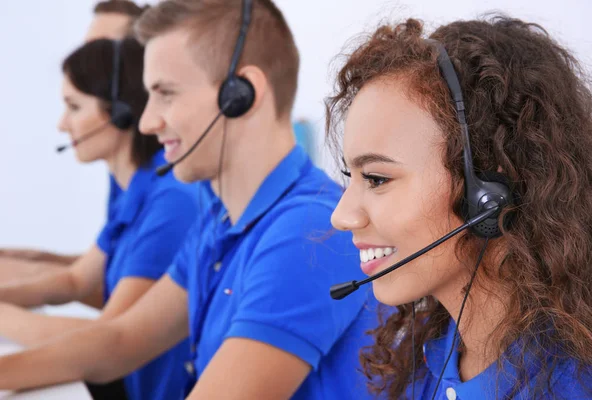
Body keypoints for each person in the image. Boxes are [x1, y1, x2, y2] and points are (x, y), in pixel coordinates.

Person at [0, 1, 375, 399]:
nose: (146, 122)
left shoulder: (309, 234)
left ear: (241, 94)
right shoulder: (221, 219)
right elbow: (122, 339)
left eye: (165, 94)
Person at [327, 15, 592, 399]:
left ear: (489, 192)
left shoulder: (579, 385)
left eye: (376, 179)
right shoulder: (429, 361)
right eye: (349, 177)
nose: (342, 215)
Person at [0, 38, 198, 400]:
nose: (62, 124)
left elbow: (109, 336)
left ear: (121, 112)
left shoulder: (171, 201)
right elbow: (76, 279)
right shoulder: (135, 187)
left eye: (73, 107)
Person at [0, 0, 149, 279]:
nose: (89, 60)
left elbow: (130, 317)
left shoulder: (168, 184)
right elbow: (110, 276)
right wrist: (35, 261)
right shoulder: (129, 175)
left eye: (103, 50)